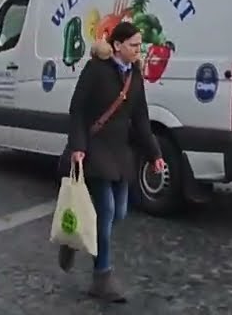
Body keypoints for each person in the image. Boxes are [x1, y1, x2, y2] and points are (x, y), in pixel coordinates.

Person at [58, 21, 165, 302]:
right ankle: (102, 277)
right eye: (133, 45)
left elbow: (141, 119)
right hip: (94, 150)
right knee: (106, 211)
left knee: (119, 213)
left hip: (121, 153)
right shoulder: (96, 70)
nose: (137, 50)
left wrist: (155, 155)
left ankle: (76, 238)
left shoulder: (136, 76)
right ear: (117, 45)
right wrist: (78, 146)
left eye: (139, 45)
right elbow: (77, 110)